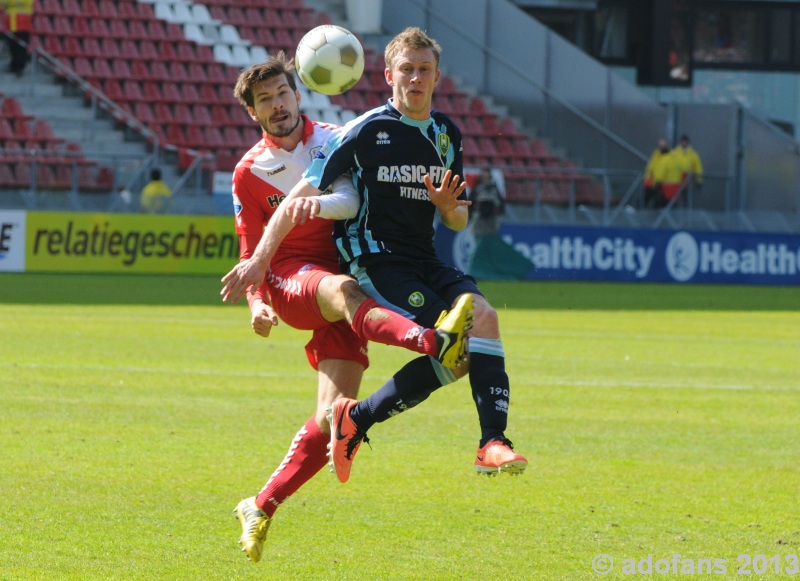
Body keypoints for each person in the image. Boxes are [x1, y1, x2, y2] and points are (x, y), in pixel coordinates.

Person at [224, 27, 528, 490]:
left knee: (482, 321)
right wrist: (258, 272)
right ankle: (374, 418)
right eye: (406, 69)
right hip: (375, 262)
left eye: (424, 70)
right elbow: (302, 199)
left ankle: (488, 442)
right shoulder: (362, 131)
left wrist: (449, 208)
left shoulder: (447, 134)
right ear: (388, 75)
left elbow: (457, 222)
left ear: (437, 77)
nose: (415, 78)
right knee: (453, 343)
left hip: (424, 258)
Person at [219, 54, 472, 564]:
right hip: (296, 278)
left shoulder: (336, 137)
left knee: (331, 417)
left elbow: (355, 201)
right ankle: (432, 341)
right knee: (343, 292)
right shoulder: (249, 172)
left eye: (282, 94)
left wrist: (318, 205)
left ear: (298, 94)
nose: (277, 105)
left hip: (345, 274)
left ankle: (260, 505)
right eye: (264, 100)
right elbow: (251, 255)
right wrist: (256, 302)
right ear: (254, 113)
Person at [643, 138, 681, 208]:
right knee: (651, 202)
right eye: (660, 146)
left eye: (663, 145)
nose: (661, 147)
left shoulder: (671, 157)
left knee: (663, 205)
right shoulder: (656, 156)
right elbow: (650, 169)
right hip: (655, 184)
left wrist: (656, 182)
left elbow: (664, 171)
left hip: (665, 186)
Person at [1, 0, 34, 77]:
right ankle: (15, 65)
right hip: (11, 22)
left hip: (22, 23)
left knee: (21, 46)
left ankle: (20, 66)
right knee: (13, 46)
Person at [469, 168, 505, 238]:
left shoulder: (494, 188)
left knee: (491, 236)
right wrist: (471, 214)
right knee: (478, 236)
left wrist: (499, 210)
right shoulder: (477, 188)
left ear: (490, 176)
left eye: (487, 175)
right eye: (484, 175)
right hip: (478, 216)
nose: (485, 177)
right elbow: (471, 202)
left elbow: (500, 203)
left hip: (491, 217)